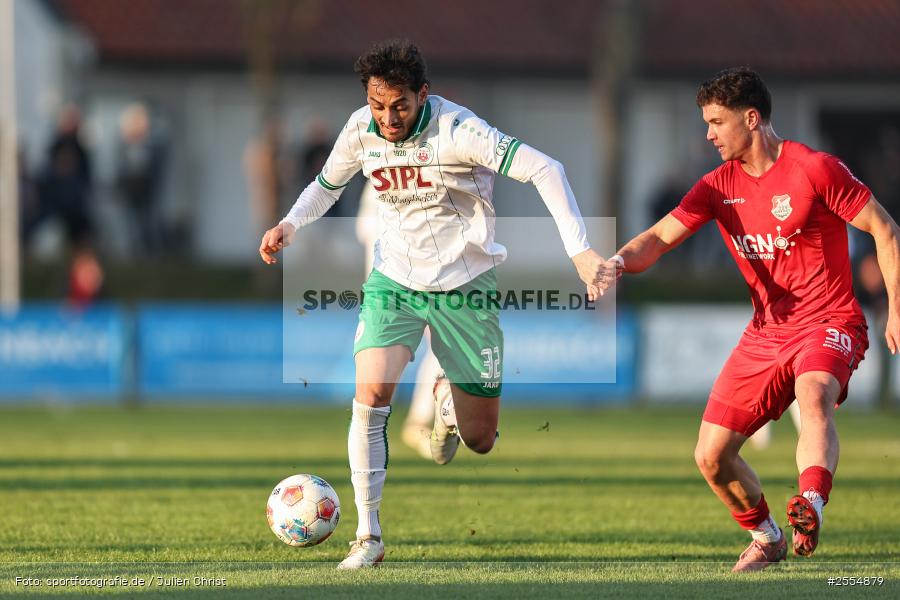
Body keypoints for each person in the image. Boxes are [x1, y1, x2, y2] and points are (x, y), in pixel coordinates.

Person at [259, 39, 611, 569]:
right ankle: (369, 536)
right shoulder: (361, 129)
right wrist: (289, 224)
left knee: (480, 439)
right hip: (393, 281)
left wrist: (580, 251)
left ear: (423, 94)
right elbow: (326, 184)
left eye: (400, 105)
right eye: (379, 105)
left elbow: (547, 169)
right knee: (371, 397)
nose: (388, 117)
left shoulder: (459, 130)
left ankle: (447, 405)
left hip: (465, 285)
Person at [611, 67, 899, 572]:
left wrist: (896, 309)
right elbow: (658, 238)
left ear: (752, 118)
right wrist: (615, 262)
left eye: (716, 122)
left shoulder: (815, 168)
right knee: (711, 456)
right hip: (766, 334)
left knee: (814, 393)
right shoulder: (716, 186)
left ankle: (809, 505)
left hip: (829, 319)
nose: (708, 133)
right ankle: (767, 537)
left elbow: (885, 229)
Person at [356, 179, 440, 460]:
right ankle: (418, 419)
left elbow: (363, 232)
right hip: (394, 281)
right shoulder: (388, 178)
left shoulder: (385, 178)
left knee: (444, 345)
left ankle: (422, 419)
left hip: (400, 279)